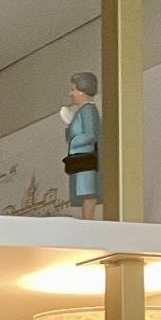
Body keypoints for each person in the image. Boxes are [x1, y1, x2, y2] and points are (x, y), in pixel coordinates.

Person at [61, 71, 101, 218]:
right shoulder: (82, 111)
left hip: (86, 157)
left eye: (73, 89)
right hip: (81, 156)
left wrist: (73, 139)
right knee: (83, 190)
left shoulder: (88, 110)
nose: (70, 93)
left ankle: (88, 221)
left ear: (82, 90)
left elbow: (90, 135)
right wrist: (70, 125)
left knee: (87, 191)